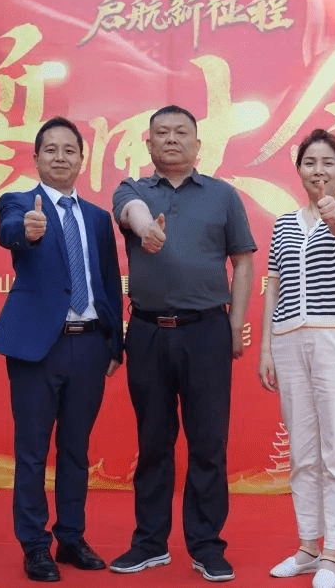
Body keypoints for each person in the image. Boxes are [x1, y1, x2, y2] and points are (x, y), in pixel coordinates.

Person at [110, 105, 256, 582]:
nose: (171, 139)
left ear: (198, 144)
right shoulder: (133, 189)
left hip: (207, 331)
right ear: (148, 143)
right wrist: (146, 229)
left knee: (208, 443)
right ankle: (149, 542)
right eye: (161, 133)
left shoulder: (222, 195)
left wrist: (235, 325)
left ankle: (207, 545)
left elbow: (243, 261)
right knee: (153, 442)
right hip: (148, 332)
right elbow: (129, 212)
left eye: (181, 133)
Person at [0, 117, 123, 582]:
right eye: (51, 149)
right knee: (31, 451)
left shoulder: (98, 219)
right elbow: (9, 229)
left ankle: (71, 537)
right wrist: (26, 230)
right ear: (36, 158)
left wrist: (115, 343)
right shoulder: (18, 203)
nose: (60, 157)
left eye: (69, 150)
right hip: (37, 349)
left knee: (76, 449)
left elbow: (108, 283)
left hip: (89, 345)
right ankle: (34, 545)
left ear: (82, 159)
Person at [258, 129, 335, 588]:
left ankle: (333, 554)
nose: (318, 170)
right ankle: (307, 546)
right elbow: (274, 285)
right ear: (299, 169)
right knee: (302, 453)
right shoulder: (284, 223)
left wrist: (334, 214)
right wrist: (266, 346)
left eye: (328, 163)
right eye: (310, 162)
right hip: (288, 342)